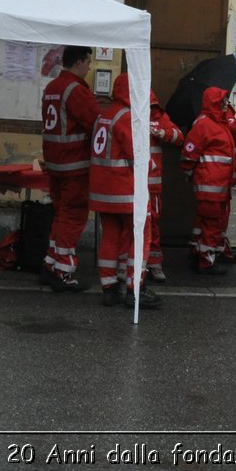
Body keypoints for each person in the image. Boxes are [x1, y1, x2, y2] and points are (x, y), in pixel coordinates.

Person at [88, 74, 162, 309]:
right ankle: (134, 288)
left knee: (110, 237)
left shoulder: (105, 115)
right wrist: (152, 165)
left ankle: (109, 287)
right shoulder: (128, 118)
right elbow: (138, 157)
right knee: (140, 237)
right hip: (126, 191)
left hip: (102, 192)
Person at [40, 45, 99, 292]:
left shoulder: (51, 87)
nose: (89, 67)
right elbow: (95, 123)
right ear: (78, 63)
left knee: (61, 214)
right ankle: (62, 270)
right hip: (75, 165)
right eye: (87, 62)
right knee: (72, 217)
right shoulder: (76, 90)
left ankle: (51, 263)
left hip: (54, 164)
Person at [181, 86, 236, 274]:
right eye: (222, 101)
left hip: (217, 185)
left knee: (208, 221)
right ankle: (206, 262)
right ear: (214, 103)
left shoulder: (217, 123)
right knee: (212, 223)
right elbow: (189, 154)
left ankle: (199, 251)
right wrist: (191, 174)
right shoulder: (204, 124)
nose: (226, 105)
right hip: (210, 185)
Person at [143, 90, 184, 284]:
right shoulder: (128, 116)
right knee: (133, 226)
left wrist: (163, 133)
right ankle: (136, 264)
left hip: (153, 184)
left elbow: (179, 136)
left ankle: (155, 263)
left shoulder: (160, 117)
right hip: (132, 184)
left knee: (154, 224)